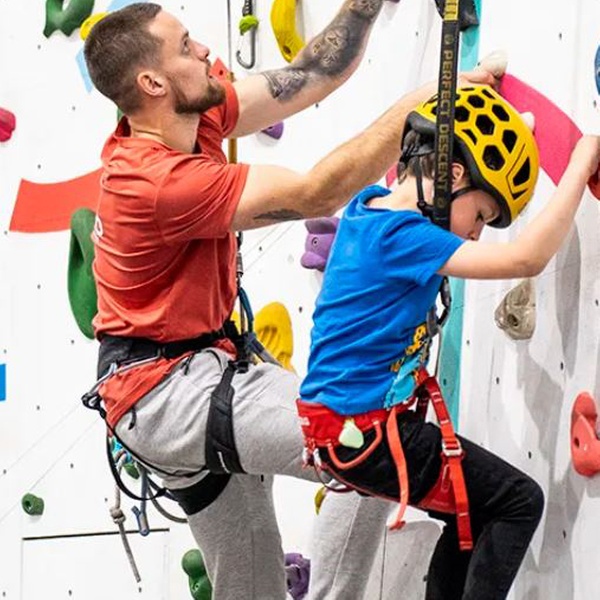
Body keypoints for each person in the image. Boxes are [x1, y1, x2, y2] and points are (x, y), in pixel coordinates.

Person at [82, 2, 497, 598]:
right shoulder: (155, 182)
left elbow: (310, 73)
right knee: (362, 442)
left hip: (180, 381)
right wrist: (423, 106)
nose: (204, 51)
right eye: (186, 46)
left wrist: (364, 6)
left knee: (250, 587)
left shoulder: (192, 117)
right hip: (169, 393)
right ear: (153, 83)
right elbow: (315, 194)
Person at [297, 84, 600, 600]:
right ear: (453, 174)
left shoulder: (367, 210)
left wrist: (476, 100)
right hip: (366, 434)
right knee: (517, 502)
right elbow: (526, 259)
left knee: (472, 510)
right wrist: (582, 160)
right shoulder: (403, 237)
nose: (476, 233)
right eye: (480, 215)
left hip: (343, 431)